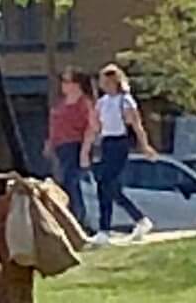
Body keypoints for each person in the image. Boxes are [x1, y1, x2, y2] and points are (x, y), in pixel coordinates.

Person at [85, 63, 155, 245]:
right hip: (106, 143)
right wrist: (88, 147)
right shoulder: (102, 102)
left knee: (106, 183)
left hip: (120, 143)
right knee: (108, 187)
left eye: (107, 81)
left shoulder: (125, 100)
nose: (104, 85)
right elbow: (96, 128)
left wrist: (144, 146)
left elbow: (136, 125)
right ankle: (139, 220)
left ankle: (105, 229)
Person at [45, 69, 93, 227]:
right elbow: (55, 125)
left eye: (67, 81)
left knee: (70, 182)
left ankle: (78, 219)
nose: (63, 85)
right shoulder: (61, 103)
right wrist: (50, 143)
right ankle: (73, 218)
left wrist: (85, 151)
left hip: (75, 146)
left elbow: (90, 127)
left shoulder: (84, 103)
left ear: (77, 84)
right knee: (66, 183)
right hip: (61, 147)